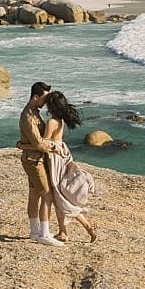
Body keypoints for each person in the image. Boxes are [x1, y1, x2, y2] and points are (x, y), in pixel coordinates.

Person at [42, 91, 97, 243]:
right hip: (62, 156)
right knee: (59, 196)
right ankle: (62, 232)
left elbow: (45, 143)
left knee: (60, 197)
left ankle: (87, 225)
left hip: (54, 159)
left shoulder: (51, 122)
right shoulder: (60, 121)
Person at [16, 81, 63, 246]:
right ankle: (43, 234)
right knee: (47, 194)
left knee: (34, 194)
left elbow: (34, 142)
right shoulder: (29, 117)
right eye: (44, 98)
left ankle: (34, 230)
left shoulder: (34, 112)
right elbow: (39, 144)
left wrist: (22, 145)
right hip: (34, 161)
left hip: (32, 158)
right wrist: (54, 147)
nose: (46, 102)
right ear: (35, 97)